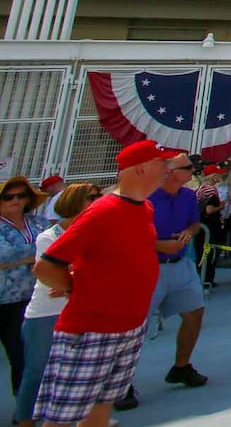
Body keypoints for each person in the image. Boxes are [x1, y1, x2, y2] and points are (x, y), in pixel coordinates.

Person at [31, 140, 179, 427]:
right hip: (91, 331)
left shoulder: (144, 208)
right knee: (63, 418)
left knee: (101, 410)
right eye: (163, 162)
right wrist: (77, 287)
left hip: (129, 328)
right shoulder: (103, 212)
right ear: (140, 170)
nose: (168, 168)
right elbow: (47, 265)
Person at [130, 150, 209, 412]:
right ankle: (121, 382)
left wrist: (188, 232)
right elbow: (134, 234)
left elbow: (195, 224)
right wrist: (160, 245)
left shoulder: (187, 196)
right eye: (187, 168)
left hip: (179, 264)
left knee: (195, 313)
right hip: (149, 266)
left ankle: (181, 366)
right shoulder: (146, 198)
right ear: (171, 172)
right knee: (135, 327)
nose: (192, 173)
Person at [15, 182, 99, 427]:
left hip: (79, 310)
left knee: (80, 371)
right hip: (46, 314)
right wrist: (76, 280)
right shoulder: (48, 237)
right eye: (91, 197)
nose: (97, 201)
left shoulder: (95, 234)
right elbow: (51, 273)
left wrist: (72, 280)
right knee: (36, 371)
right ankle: (26, 421)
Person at [0, 176, 47, 397]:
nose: (16, 200)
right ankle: (24, 407)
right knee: (18, 355)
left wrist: (17, 259)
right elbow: (3, 254)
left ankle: (30, 405)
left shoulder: (39, 222)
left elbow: (55, 246)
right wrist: (36, 254)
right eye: (9, 197)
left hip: (39, 297)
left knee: (35, 354)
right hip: (5, 302)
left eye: (22, 195)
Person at [196, 163, 227, 288]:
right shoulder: (210, 189)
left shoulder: (201, 188)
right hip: (209, 226)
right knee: (209, 254)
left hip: (202, 226)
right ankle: (207, 279)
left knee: (202, 253)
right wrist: (220, 206)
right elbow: (209, 210)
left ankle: (203, 278)